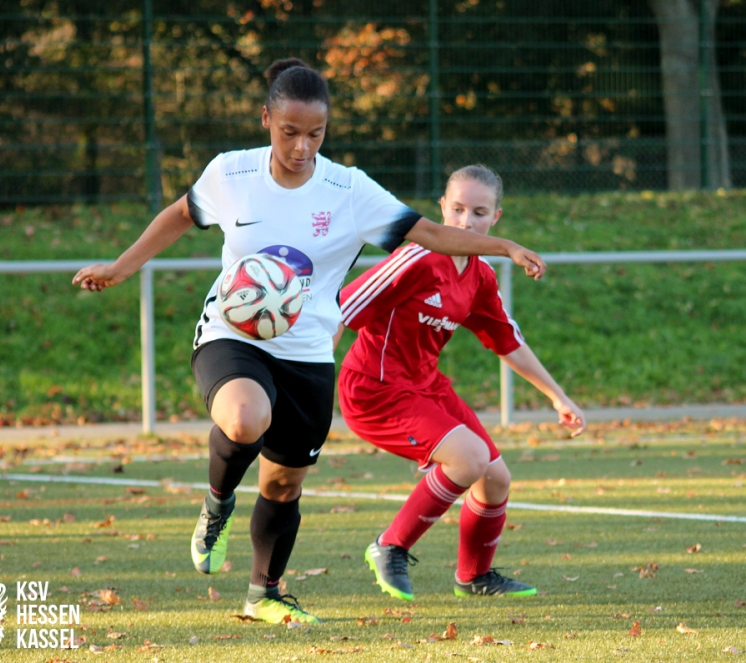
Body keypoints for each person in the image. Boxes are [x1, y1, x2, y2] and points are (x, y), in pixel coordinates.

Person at [72, 60, 546, 624]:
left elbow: (431, 233)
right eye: (289, 132)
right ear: (266, 119)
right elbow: (180, 214)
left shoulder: (349, 189)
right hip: (233, 334)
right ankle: (217, 504)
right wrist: (121, 267)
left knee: (283, 481)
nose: (301, 147)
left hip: (307, 350)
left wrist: (505, 247)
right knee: (246, 417)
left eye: (315, 134)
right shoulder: (231, 172)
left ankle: (264, 595)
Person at [338, 164, 585, 601]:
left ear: (496, 218)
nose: (465, 221)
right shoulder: (416, 257)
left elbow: (508, 342)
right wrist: (306, 376)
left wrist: (558, 397)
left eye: (479, 212)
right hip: (375, 389)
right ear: (441, 208)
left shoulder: (479, 276)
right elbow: (341, 308)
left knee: (495, 478)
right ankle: (390, 545)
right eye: (456, 209)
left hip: (426, 387)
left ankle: (474, 577)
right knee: (469, 459)